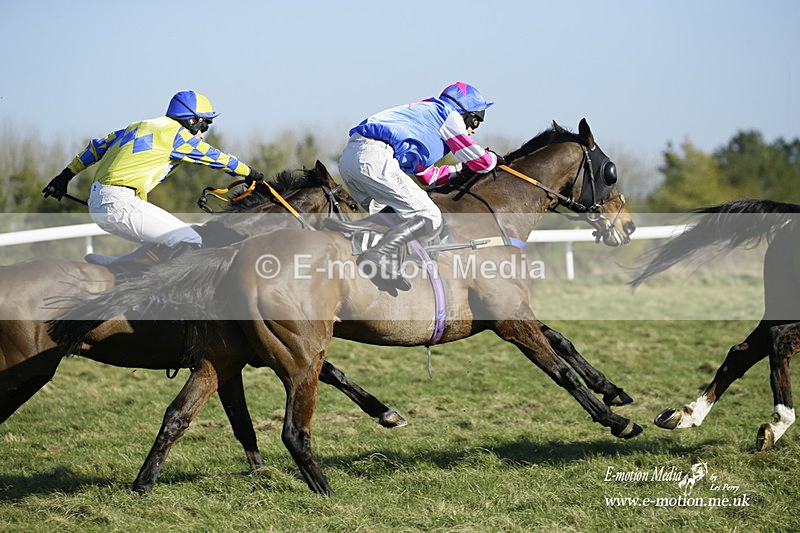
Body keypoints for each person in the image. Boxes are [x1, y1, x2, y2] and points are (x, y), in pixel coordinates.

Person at [43, 90, 264, 260]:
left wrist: (65, 176)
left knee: (166, 243)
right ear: (191, 121)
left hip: (102, 201)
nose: (203, 135)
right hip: (119, 202)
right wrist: (250, 173)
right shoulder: (176, 136)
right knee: (192, 240)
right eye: (204, 126)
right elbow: (216, 157)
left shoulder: (137, 126)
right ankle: (167, 301)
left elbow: (96, 147)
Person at [339, 82, 501, 292]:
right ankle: (378, 256)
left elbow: (428, 177)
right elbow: (483, 162)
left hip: (351, 159)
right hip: (375, 157)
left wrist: (459, 170)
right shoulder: (448, 114)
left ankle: (376, 266)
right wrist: (495, 159)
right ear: (465, 113)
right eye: (476, 122)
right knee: (430, 216)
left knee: (389, 219)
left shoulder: (424, 121)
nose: (472, 130)